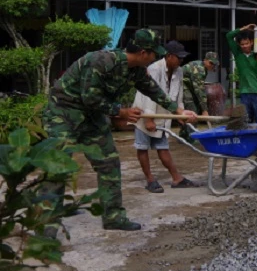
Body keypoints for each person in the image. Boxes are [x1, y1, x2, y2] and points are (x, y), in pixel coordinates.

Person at [41, 29, 197, 234]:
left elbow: (153, 90)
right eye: (154, 53)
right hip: (63, 112)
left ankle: (113, 216)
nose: (156, 57)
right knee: (57, 167)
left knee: (109, 163)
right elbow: (90, 98)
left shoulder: (136, 70)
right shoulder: (100, 61)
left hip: (92, 117)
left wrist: (178, 111)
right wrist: (121, 112)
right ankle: (47, 227)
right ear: (143, 53)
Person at [133, 40, 197, 193]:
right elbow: (148, 94)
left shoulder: (178, 71)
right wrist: (148, 118)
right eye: (178, 57)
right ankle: (150, 179)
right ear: (169, 56)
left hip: (163, 113)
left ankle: (177, 178)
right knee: (143, 147)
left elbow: (178, 94)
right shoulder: (154, 69)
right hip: (144, 111)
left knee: (163, 146)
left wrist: (180, 113)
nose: (181, 61)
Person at [226, 24, 257, 123]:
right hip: (245, 93)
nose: (244, 46)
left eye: (247, 43)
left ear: (252, 42)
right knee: (246, 121)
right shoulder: (238, 54)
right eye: (242, 44)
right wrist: (243, 28)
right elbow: (228, 36)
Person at [180, 51, 218, 142]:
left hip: (188, 86)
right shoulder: (199, 69)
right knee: (192, 109)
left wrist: (202, 108)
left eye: (214, 64)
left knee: (195, 106)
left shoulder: (203, 68)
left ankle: (183, 135)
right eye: (210, 63)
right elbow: (200, 91)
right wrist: (205, 110)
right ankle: (191, 136)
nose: (212, 65)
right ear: (205, 60)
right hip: (180, 85)